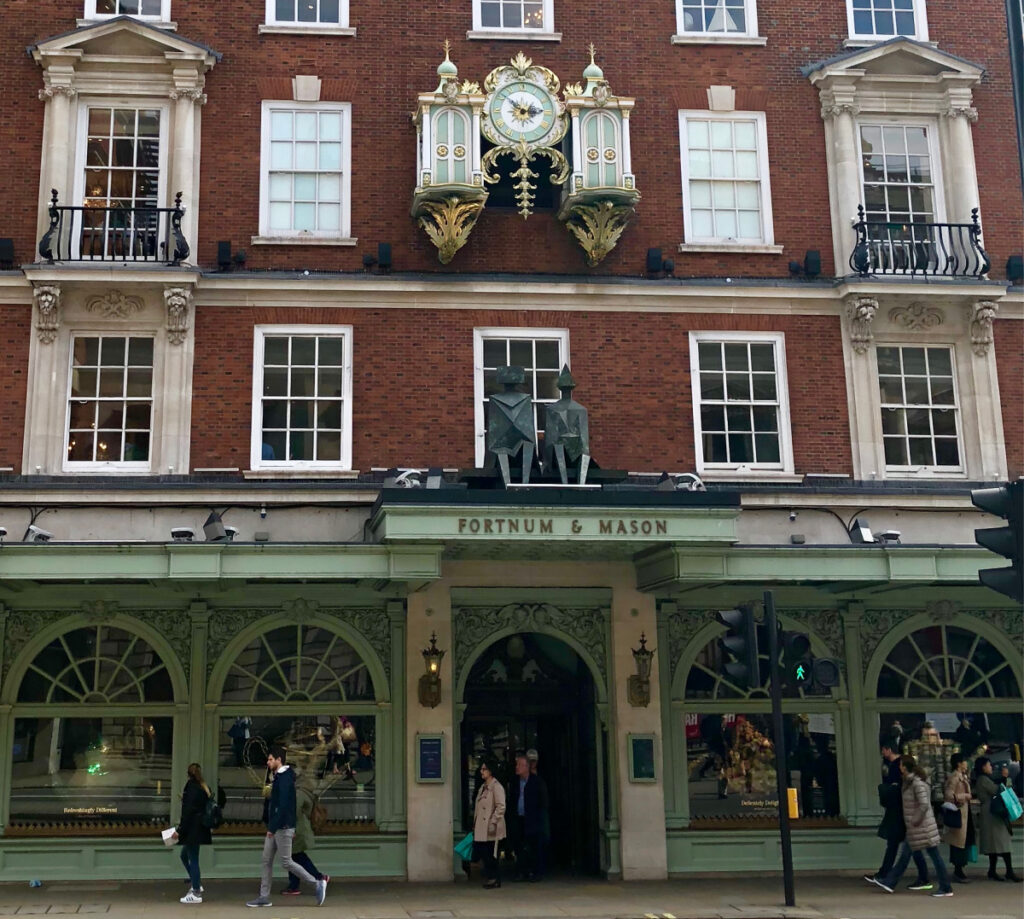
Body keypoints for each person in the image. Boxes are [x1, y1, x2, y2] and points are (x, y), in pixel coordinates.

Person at [246, 746, 328, 908]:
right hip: (278, 826)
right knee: (267, 860)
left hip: (281, 827)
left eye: (270, 759)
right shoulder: (279, 777)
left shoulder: (283, 779)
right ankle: (264, 896)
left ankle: (316, 882)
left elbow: (283, 806)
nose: (267, 762)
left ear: (279, 760)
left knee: (286, 861)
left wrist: (273, 826)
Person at [873, 754, 953, 897]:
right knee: (910, 855)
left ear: (905, 767)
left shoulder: (916, 784)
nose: (899, 767)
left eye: (901, 765)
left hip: (921, 827)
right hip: (918, 827)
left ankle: (945, 887)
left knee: (931, 856)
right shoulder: (910, 782)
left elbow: (923, 805)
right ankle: (891, 882)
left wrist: (914, 820)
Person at [865, 737, 930, 889]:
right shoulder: (911, 780)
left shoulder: (912, 782)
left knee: (905, 849)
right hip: (907, 817)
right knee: (905, 848)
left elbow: (921, 803)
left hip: (908, 818)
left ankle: (889, 878)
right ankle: (890, 877)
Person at [973, 756, 1022, 882]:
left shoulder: (983, 779)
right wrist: (1004, 778)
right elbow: (997, 790)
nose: (991, 767)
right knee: (1002, 843)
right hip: (992, 815)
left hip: (992, 815)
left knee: (995, 845)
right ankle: (1008, 871)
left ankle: (993, 871)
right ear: (983, 767)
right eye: (989, 765)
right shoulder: (983, 780)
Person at [282, 775, 329, 896]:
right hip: (300, 828)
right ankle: (295, 885)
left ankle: (318, 877)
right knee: (294, 856)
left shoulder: (299, 793)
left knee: (295, 856)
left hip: (297, 829)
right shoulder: (306, 792)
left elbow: (294, 811)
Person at [174, 763, 212, 905]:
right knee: (184, 855)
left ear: (188, 774)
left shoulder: (191, 787)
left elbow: (188, 812)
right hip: (199, 828)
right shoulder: (203, 787)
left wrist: (179, 830)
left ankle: (196, 891)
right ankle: (196, 882)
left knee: (193, 858)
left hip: (192, 830)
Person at [510, 752, 547, 882]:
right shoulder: (514, 782)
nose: (517, 767)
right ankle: (522, 871)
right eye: (517, 764)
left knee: (533, 847)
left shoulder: (537, 782)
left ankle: (535, 872)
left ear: (526, 767)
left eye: (519, 765)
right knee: (519, 846)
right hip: (519, 819)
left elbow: (543, 802)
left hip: (532, 820)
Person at [472, 760, 507, 889]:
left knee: (491, 854)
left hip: (491, 828)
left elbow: (501, 806)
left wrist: (493, 821)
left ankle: (494, 878)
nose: (481, 771)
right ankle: (490, 877)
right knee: (484, 853)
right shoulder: (483, 787)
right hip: (481, 827)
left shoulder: (496, 787)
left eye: (484, 769)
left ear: (490, 771)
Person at [943, 753, 973, 883]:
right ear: (959, 763)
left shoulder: (963, 776)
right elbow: (949, 795)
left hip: (964, 813)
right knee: (958, 843)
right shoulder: (954, 778)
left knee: (963, 842)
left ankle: (960, 868)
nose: (966, 764)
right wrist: (964, 796)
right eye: (964, 761)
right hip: (958, 813)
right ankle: (958, 870)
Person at [526, 749, 550, 879]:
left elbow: (544, 800)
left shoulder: (540, 779)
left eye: (534, 761)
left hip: (538, 817)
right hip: (528, 817)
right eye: (530, 761)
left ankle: (538, 871)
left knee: (539, 844)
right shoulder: (524, 779)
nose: (532, 764)